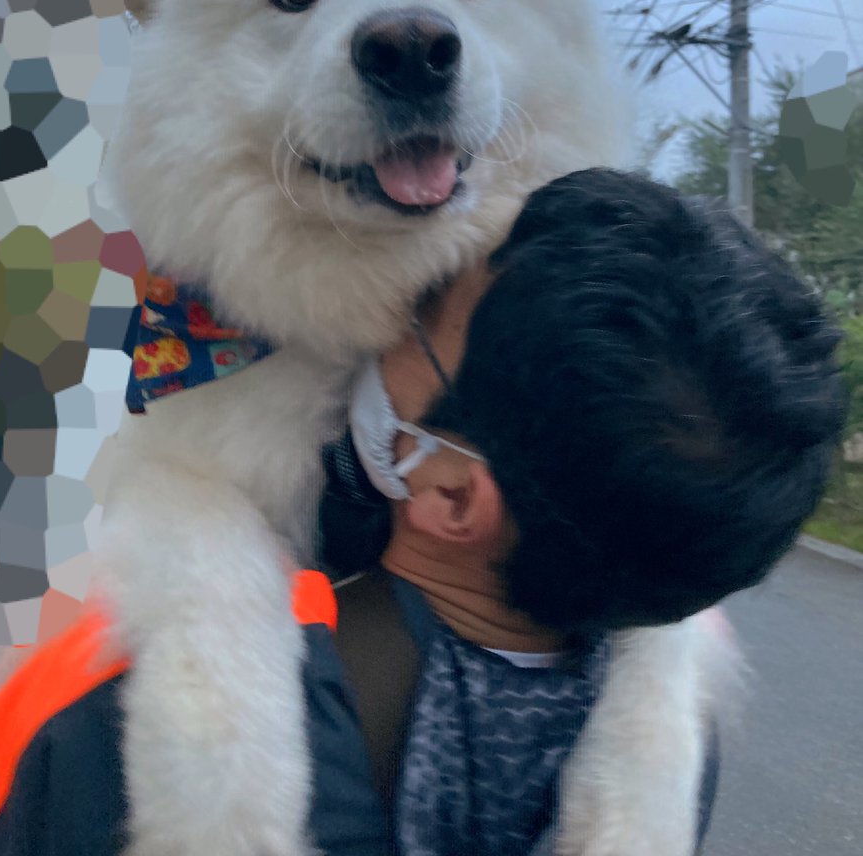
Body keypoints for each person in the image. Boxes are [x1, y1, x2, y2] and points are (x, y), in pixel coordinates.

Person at [314, 166, 848, 855]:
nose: (388, 315)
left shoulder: (263, 709)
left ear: (453, 498)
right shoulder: (666, 752)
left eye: (425, 303)